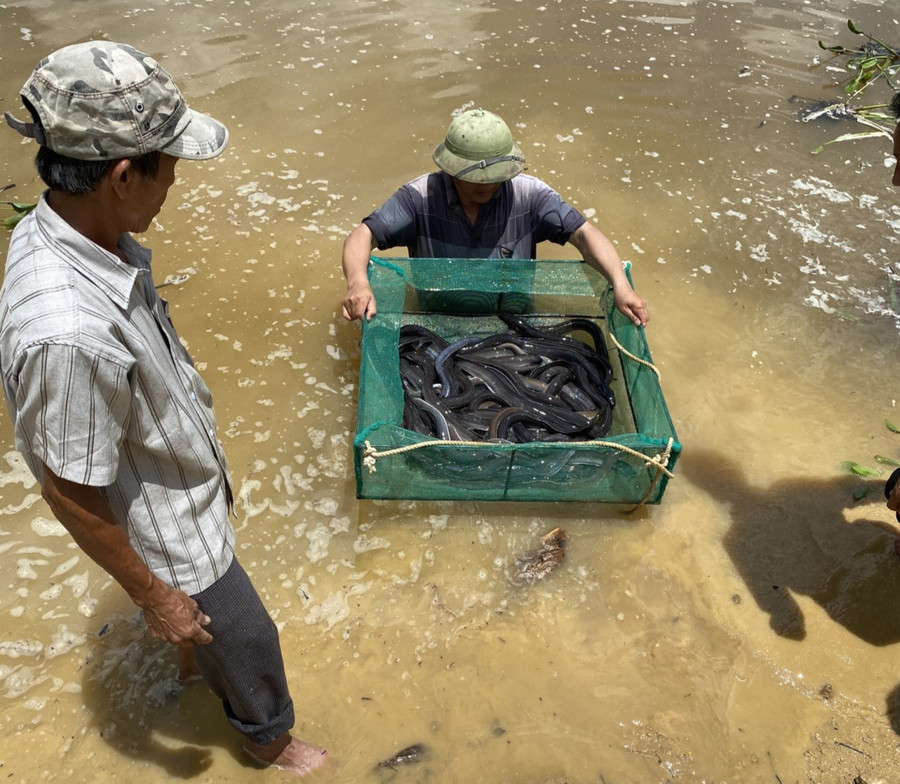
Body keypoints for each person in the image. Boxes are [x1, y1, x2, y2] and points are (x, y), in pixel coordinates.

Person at [0, 42, 327, 776]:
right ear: (121, 175)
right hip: (168, 527)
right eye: (169, 165)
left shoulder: (73, 230)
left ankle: (187, 667)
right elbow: (69, 489)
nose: (175, 182)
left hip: (163, 477)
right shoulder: (70, 331)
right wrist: (154, 595)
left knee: (202, 637)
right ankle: (271, 744)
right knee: (247, 638)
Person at [341, 108, 649, 326]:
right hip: (437, 321)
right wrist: (357, 283)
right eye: (476, 176)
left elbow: (584, 234)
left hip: (515, 321)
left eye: (496, 175)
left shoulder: (529, 195)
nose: (487, 184)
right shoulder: (419, 197)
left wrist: (620, 285)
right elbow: (363, 235)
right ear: (452, 168)